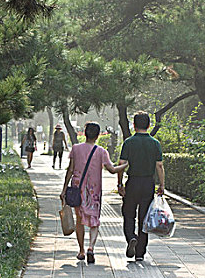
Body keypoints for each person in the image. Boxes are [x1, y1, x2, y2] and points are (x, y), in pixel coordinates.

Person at [60, 122, 128, 264]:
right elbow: (113, 170)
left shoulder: (76, 149)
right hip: (94, 192)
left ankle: (81, 250)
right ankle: (91, 247)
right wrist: (127, 164)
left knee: (79, 220)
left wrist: (64, 189)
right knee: (94, 221)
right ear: (97, 136)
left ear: (85, 133)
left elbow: (70, 170)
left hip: (78, 189)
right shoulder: (101, 151)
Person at [117, 111, 165, 262]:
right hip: (148, 183)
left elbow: (121, 164)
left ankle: (131, 237)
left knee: (129, 214)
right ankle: (140, 253)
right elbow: (159, 165)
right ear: (149, 125)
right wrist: (162, 184)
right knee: (144, 218)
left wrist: (119, 184)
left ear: (134, 125)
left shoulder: (129, 142)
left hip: (133, 182)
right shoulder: (155, 143)